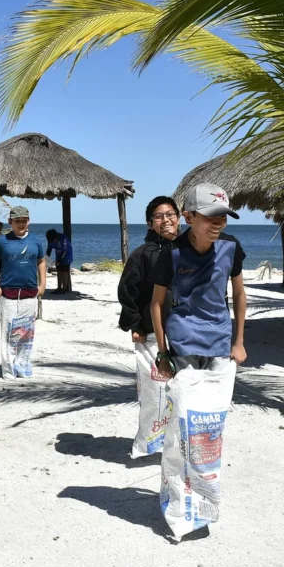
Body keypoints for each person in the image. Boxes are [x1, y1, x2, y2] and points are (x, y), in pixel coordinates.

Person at [149, 183, 247, 376]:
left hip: (220, 339)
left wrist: (239, 342)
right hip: (183, 339)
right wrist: (163, 353)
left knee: (218, 395)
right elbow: (156, 303)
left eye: (223, 216)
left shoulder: (231, 247)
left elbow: (239, 293)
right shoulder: (172, 253)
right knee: (187, 395)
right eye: (210, 216)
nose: (218, 223)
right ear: (189, 217)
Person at [117, 196, 181, 458]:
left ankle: (179, 444)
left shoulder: (190, 250)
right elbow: (127, 290)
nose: (165, 220)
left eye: (170, 214)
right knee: (155, 394)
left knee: (183, 393)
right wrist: (134, 323)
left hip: (186, 332)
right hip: (152, 334)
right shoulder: (142, 254)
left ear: (179, 217)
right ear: (150, 223)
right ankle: (152, 445)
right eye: (158, 216)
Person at [0, 205, 46, 379]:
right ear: (10, 222)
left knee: (26, 333)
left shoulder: (35, 241)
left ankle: (22, 367)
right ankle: (8, 370)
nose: (21, 224)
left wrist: (43, 283)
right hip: (8, 293)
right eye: (17, 221)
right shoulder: (2, 241)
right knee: (8, 333)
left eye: (24, 220)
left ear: (29, 221)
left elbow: (41, 261)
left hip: (30, 293)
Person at [45, 228, 74, 294]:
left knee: (64, 272)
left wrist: (60, 260)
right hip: (58, 255)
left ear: (56, 237)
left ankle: (64, 289)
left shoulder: (63, 238)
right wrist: (46, 259)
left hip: (67, 256)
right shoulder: (50, 239)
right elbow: (49, 250)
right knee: (59, 271)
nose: (53, 242)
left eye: (54, 240)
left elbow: (65, 251)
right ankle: (59, 288)